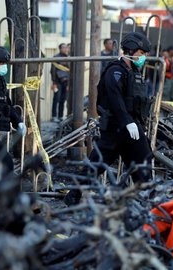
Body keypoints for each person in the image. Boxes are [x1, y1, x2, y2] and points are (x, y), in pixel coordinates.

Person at [64, 32, 153, 205]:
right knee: (96, 164)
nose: (143, 57)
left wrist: (134, 122)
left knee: (143, 159)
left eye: (145, 54)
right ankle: (73, 195)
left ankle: (146, 198)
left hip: (131, 128)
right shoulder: (115, 71)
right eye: (141, 53)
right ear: (131, 50)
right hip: (115, 128)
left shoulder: (133, 72)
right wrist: (127, 122)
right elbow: (115, 99)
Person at [50, 43, 70, 122]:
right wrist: (54, 82)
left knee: (63, 99)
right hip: (58, 82)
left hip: (66, 82)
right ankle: (54, 116)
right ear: (60, 49)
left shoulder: (69, 58)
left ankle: (61, 116)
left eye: (66, 47)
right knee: (56, 98)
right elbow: (53, 71)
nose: (66, 49)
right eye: (64, 47)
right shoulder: (56, 58)